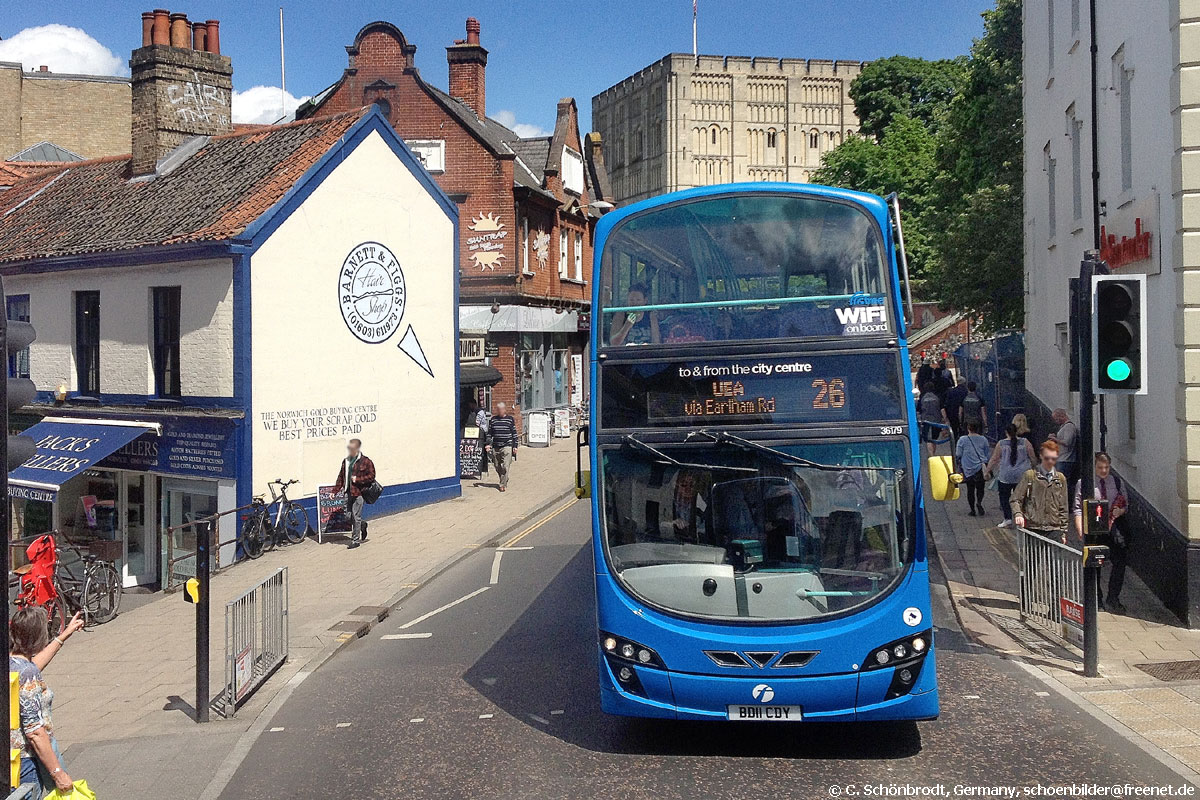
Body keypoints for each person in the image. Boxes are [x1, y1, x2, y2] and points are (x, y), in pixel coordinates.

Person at [11, 607, 84, 797]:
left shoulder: (12, 665)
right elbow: (35, 732)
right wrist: (58, 774)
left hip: (11, 759)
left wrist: (64, 636)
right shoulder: (27, 674)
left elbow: (33, 665)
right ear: (39, 636)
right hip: (27, 761)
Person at [1073, 452, 1129, 613]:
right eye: (1100, 467)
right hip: (1095, 529)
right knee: (1095, 563)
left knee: (1119, 563)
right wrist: (1079, 528)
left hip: (1114, 529)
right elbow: (1077, 507)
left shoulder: (1117, 482)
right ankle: (1096, 598)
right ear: (1094, 467)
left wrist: (1121, 510)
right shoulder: (1084, 483)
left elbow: (1126, 503)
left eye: (1107, 467)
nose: (1104, 471)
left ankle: (1113, 597)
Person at [1012, 440, 1070, 544]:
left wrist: (1064, 531)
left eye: (1054, 458)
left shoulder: (1060, 479)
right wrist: (1018, 514)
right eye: (1047, 458)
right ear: (1041, 456)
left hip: (1054, 528)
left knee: (1053, 560)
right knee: (1033, 560)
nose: (1050, 461)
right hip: (1033, 527)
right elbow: (1015, 499)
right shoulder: (1030, 476)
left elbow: (1063, 507)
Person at [986, 423, 1037, 528]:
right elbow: (1032, 456)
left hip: (1006, 475)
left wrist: (987, 470)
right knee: (1023, 497)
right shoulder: (1025, 442)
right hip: (1022, 475)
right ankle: (1023, 518)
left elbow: (994, 458)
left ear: (1006, 432)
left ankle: (1008, 519)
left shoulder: (1001, 444)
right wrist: (1035, 468)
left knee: (1004, 497)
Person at [334, 438, 376, 549]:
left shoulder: (366, 461)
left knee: (355, 516)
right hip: (348, 492)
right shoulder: (346, 461)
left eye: (351, 447)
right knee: (347, 516)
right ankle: (362, 524)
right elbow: (341, 477)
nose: (349, 449)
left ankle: (355, 540)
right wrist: (335, 491)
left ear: (357, 448)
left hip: (359, 493)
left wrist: (358, 479)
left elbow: (371, 476)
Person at [955, 421, 991, 516]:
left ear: (968, 428)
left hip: (968, 468)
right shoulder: (983, 439)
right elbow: (987, 454)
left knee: (970, 489)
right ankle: (979, 502)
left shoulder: (962, 440)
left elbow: (958, 454)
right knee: (980, 488)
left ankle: (972, 510)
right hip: (980, 467)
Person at [487, 401, 519, 492]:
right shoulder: (493, 420)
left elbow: (514, 433)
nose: (499, 411)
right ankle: (504, 478)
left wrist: (515, 446)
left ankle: (502, 485)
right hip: (496, 446)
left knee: (505, 466)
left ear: (504, 410)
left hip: (507, 445)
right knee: (497, 466)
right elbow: (490, 434)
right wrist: (488, 444)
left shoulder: (510, 419)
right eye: (498, 409)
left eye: (501, 409)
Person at [918, 382, 949, 457]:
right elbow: (942, 409)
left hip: (926, 421)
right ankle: (933, 454)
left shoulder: (922, 397)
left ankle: (931, 455)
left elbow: (918, 409)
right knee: (934, 438)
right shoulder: (937, 397)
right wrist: (945, 419)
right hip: (936, 420)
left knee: (928, 439)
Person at [1051, 408, 1079, 489]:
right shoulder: (1064, 427)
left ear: (1062, 416)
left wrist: (1054, 439)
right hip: (1062, 458)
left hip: (1066, 459)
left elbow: (1067, 442)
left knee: (1061, 482)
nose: (1056, 421)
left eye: (1056, 419)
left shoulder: (1069, 427)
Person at [945, 377, 969, 441]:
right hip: (964, 414)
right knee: (964, 430)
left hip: (952, 413)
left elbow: (947, 404)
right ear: (964, 383)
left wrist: (947, 415)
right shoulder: (966, 392)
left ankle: (956, 443)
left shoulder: (951, 391)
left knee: (954, 430)